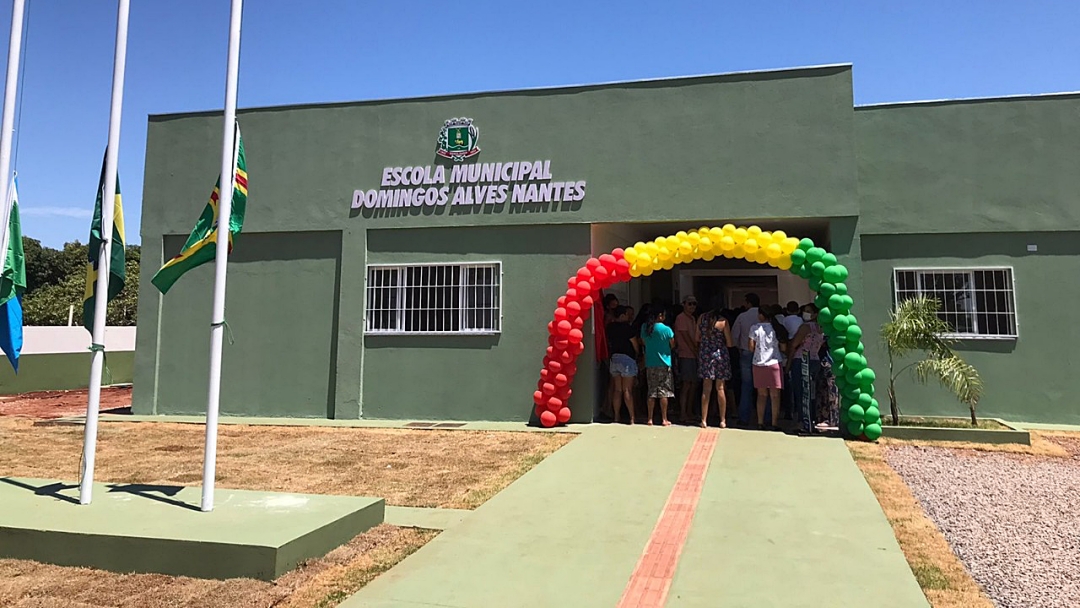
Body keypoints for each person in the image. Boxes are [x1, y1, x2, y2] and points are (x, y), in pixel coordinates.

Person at [786, 304, 825, 435]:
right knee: (812, 392)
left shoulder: (805, 327)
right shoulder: (821, 329)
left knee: (801, 392)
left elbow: (794, 344)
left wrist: (789, 364)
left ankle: (803, 421)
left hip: (802, 360)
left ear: (815, 314)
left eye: (808, 311)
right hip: (815, 360)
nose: (805, 313)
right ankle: (811, 420)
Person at [748, 305, 787, 430]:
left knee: (761, 395)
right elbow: (784, 348)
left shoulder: (754, 328)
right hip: (774, 362)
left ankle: (760, 422)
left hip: (758, 363)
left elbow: (750, 347)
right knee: (775, 396)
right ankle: (774, 423)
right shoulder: (777, 328)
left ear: (761, 315)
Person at [697, 306, 734, 428]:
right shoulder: (723, 322)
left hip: (705, 355)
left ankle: (703, 420)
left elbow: (697, 338)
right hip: (720, 356)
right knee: (720, 388)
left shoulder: (701, 319)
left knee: (706, 389)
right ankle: (722, 420)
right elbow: (729, 343)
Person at [640, 307, 675, 426]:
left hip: (650, 362)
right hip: (664, 363)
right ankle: (664, 418)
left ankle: (650, 418)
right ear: (660, 316)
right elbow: (673, 344)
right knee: (663, 392)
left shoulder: (645, 328)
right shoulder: (667, 329)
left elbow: (644, 342)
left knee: (651, 391)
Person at [606, 306, 640, 424]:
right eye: (627, 314)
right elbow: (635, 344)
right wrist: (638, 354)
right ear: (622, 315)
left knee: (617, 390)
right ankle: (632, 418)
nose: (629, 316)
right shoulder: (628, 328)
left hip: (614, 358)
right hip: (627, 359)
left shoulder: (610, 328)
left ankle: (616, 416)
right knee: (627, 390)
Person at [732, 293, 761, 425]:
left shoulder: (742, 316)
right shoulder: (763, 316)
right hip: (763, 355)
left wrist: (739, 348)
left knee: (746, 386)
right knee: (764, 388)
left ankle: (744, 417)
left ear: (748, 303)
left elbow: (734, 336)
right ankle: (766, 418)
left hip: (745, 353)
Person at [674, 295, 700, 423]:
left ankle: (689, 411)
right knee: (686, 384)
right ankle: (683, 412)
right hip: (686, 354)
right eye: (689, 304)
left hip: (693, 355)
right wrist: (695, 351)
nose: (692, 306)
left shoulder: (692, 319)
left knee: (693, 384)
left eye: (694, 304)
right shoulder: (681, 318)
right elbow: (685, 337)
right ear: (683, 304)